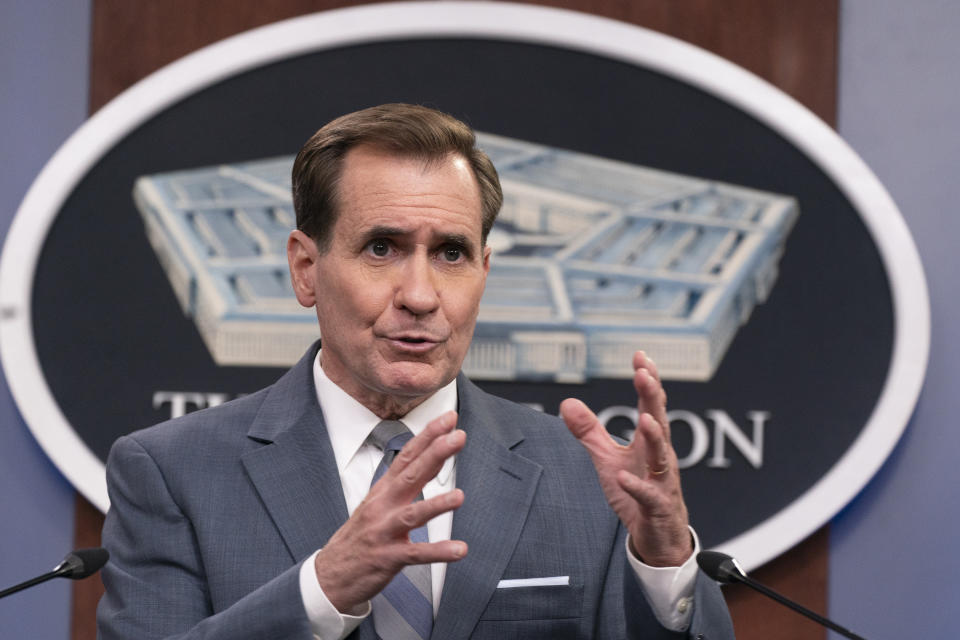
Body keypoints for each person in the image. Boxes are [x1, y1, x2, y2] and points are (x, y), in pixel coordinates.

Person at [97, 103, 734, 639]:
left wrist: (667, 562)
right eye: (383, 248)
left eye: (451, 253)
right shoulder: (172, 473)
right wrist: (323, 590)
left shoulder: (582, 473)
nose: (422, 296)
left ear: (484, 273)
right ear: (305, 268)